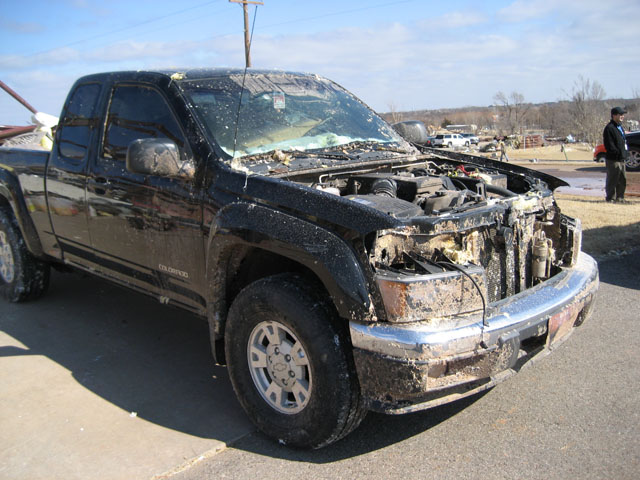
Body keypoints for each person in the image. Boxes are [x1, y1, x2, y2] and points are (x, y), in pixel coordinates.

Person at [603, 106, 629, 203]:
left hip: (622, 158)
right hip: (613, 159)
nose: (622, 116)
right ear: (614, 115)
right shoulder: (609, 128)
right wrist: (617, 153)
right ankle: (611, 198)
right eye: (620, 114)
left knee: (622, 179)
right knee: (613, 179)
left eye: (623, 114)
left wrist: (624, 154)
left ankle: (620, 198)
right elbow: (609, 145)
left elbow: (623, 143)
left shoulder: (620, 127)